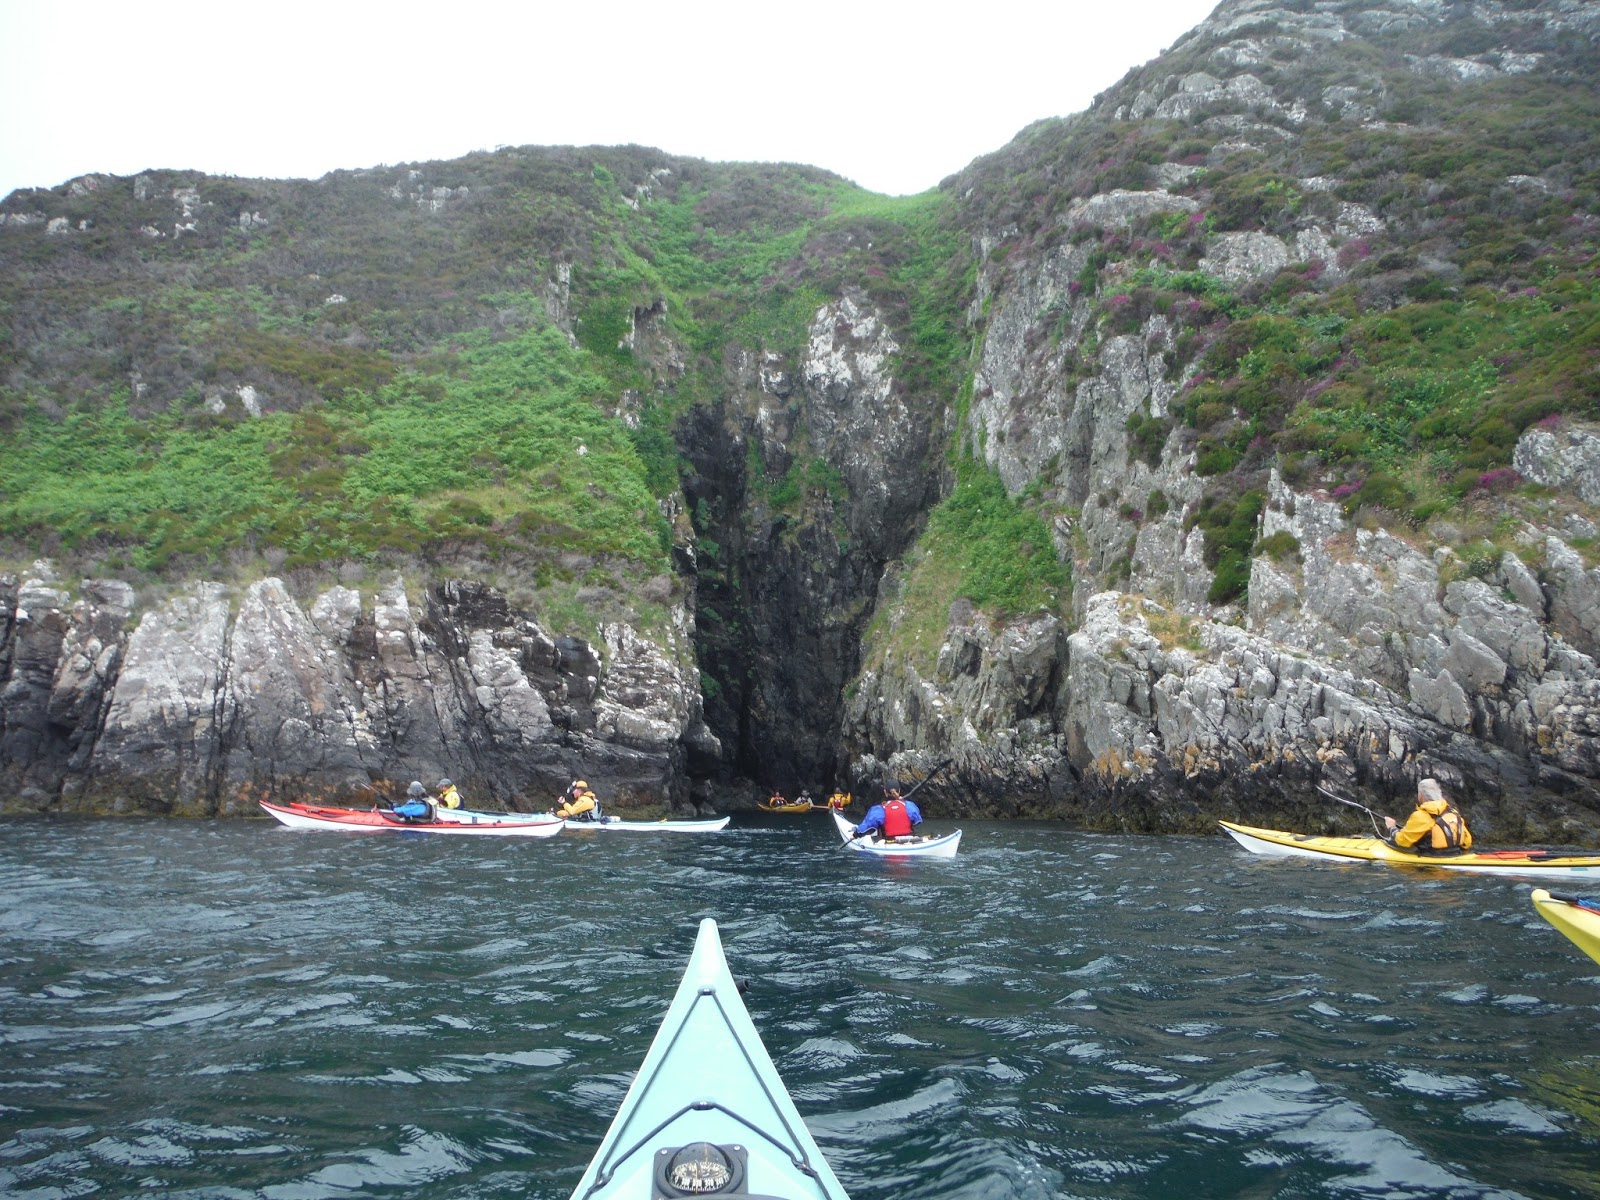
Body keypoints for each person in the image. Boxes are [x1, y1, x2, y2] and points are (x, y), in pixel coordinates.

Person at [1383, 778, 1472, 853]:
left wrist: (1392, 827)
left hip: (1432, 858)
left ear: (1421, 796)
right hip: (1455, 853)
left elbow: (1402, 841)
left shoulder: (1421, 815)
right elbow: (1467, 842)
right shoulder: (1453, 813)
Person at [851, 786, 923, 842]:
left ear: (885, 792)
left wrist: (856, 834)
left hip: (888, 842)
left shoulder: (879, 810)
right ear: (899, 791)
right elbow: (917, 821)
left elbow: (866, 827)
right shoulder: (909, 805)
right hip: (910, 840)